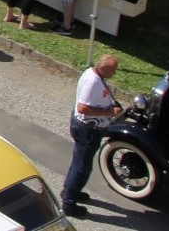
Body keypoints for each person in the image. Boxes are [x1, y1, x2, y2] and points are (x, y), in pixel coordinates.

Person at [60, 55, 120, 217]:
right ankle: (69, 203)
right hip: (88, 130)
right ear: (105, 69)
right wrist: (109, 112)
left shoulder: (91, 73)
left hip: (86, 127)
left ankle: (69, 190)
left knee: (78, 161)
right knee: (82, 167)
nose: (114, 74)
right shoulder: (93, 82)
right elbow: (82, 108)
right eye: (113, 70)